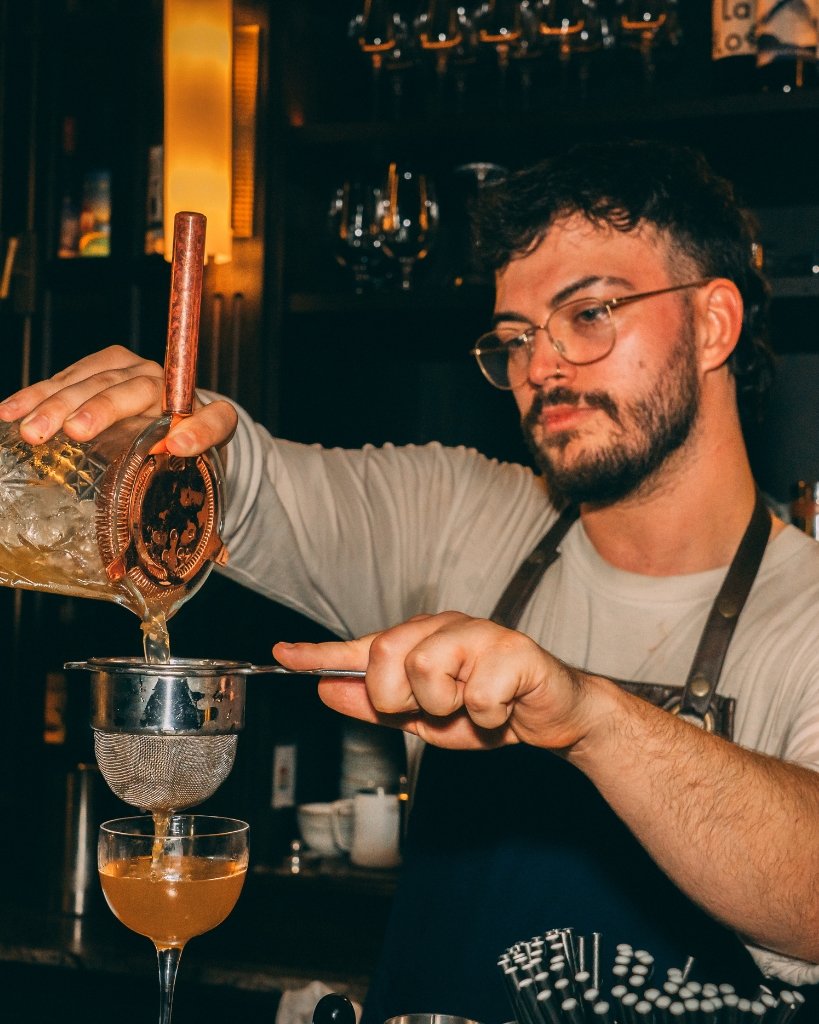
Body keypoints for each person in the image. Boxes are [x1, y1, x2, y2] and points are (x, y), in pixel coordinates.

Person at [2, 140, 818, 1021]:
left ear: (713, 324)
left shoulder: (806, 607)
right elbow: (255, 489)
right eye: (514, 338)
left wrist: (588, 716)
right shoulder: (456, 515)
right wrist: (173, 439)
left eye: (590, 313)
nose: (540, 366)